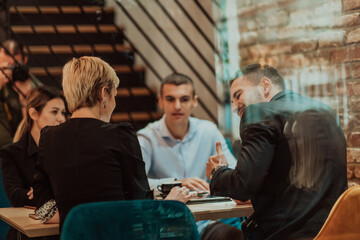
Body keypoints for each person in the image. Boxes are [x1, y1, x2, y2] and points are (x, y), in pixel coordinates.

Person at [33, 57, 191, 232]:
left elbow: (42, 205)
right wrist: (172, 203)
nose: (114, 103)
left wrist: (76, 217)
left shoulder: (48, 137)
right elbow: (143, 207)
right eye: (114, 95)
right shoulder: (120, 135)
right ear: (103, 94)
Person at [206, 63, 348, 240]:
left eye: (238, 95)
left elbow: (243, 185)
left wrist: (217, 171)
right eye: (232, 101)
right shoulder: (325, 111)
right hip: (336, 232)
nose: (234, 107)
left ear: (265, 86)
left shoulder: (258, 113)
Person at [137, 73, 237, 192]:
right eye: (170, 99)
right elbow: (137, 182)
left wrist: (224, 170)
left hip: (206, 205)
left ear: (194, 101)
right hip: (165, 208)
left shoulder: (209, 131)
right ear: (161, 101)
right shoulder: (146, 137)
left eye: (184, 99)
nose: (177, 106)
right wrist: (177, 184)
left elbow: (235, 173)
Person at [0, 86, 66, 240]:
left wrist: (38, 193)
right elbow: (16, 196)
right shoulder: (11, 153)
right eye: (54, 112)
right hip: (26, 234)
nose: (61, 118)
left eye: (63, 112)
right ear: (34, 113)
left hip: (59, 228)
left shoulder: (66, 151)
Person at [0, 39, 41, 147]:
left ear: (25, 61)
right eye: (5, 67)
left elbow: (36, 132)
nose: (9, 71)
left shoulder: (34, 87)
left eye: (14, 67)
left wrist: (26, 100)